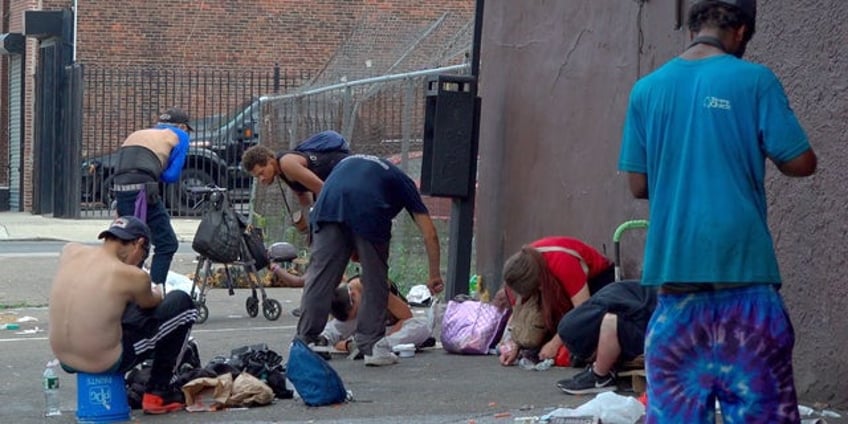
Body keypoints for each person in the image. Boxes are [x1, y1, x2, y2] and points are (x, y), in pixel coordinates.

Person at [618, 0, 817, 422]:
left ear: (691, 28)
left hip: (677, 294)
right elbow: (801, 162)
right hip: (745, 285)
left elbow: (638, 184)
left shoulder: (647, 89)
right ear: (741, 32)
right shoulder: (756, 81)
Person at [296, 154, 444, 366]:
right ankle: (371, 346)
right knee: (375, 279)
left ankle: (306, 343)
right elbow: (430, 233)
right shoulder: (404, 183)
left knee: (320, 278)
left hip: (328, 204)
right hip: (369, 207)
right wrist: (434, 274)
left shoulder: (346, 164)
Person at [48, 216, 198, 415]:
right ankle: (158, 393)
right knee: (183, 304)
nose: (139, 262)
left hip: (64, 358)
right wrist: (158, 290)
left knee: (115, 302)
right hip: (105, 361)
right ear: (139, 244)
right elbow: (151, 303)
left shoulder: (71, 252)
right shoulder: (134, 276)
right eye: (143, 255)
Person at [497, 236, 614, 366]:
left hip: (598, 281)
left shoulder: (563, 263)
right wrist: (514, 346)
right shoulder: (516, 275)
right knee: (535, 347)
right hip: (556, 283)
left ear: (540, 285)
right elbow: (520, 317)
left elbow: (583, 312)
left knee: (575, 345)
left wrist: (554, 344)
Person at [112, 107, 192, 286]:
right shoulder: (180, 135)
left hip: (120, 186)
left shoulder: (142, 133)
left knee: (135, 243)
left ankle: (126, 290)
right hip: (142, 188)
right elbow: (172, 176)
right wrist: (159, 171)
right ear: (183, 126)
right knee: (167, 244)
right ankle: (153, 292)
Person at [554, 280, 657, 395]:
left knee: (610, 322)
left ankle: (600, 376)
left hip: (666, 327)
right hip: (661, 317)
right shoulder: (602, 303)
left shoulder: (610, 308)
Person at [241, 131, 350, 230]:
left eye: (261, 173)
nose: (262, 179)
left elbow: (322, 189)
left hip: (346, 174)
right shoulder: (281, 172)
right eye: (257, 177)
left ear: (270, 161)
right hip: (338, 186)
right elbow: (303, 197)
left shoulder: (287, 163)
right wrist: (308, 224)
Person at [320, 276, 433, 357]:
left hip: (393, 331)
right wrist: (349, 346)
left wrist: (385, 339)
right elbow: (338, 337)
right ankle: (320, 342)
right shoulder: (348, 302)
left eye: (355, 312)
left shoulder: (373, 287)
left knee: (422, 325)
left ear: (354, 295)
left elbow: (406, 316)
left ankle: (379, 346)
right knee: (333, 330)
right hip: (367, 336)